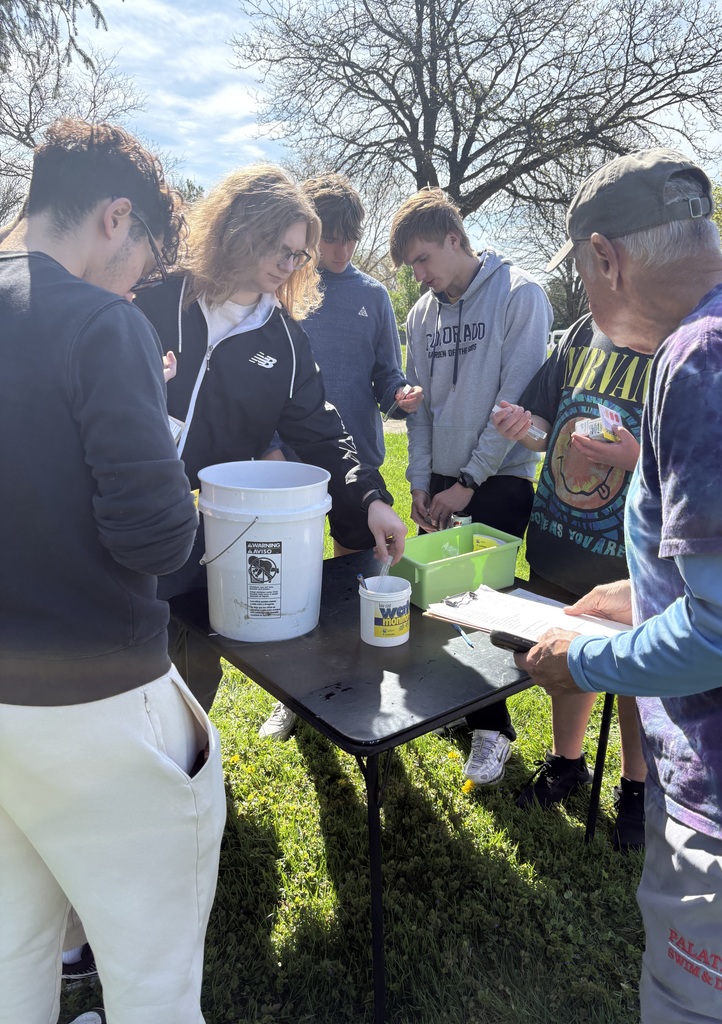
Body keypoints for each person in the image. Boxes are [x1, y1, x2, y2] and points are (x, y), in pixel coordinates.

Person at [516, 148, 722, 1022]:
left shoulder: (701, 356)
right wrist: (645, 591)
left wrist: (585, 662)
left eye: (584, 278)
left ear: (606, 258)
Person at [0, 119, 225, 1024]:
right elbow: (155, 540)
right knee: (153, 975)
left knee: (12, 951)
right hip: (94, 697)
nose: (143, 281)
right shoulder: (103, 324)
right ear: (114, 217)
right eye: (146, 259)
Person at [134, 164, 408, 714]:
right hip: (122, 512)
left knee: (192, 659)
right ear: (238, 231)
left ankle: (189, 759)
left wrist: (373, 497)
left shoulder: (285, 341)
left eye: (298, 254)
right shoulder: (155, 298)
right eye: (279, 249)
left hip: (204, 527)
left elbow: (326, 429)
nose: (289, 265)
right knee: (122, 660)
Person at [389, 187, 551, 785]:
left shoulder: (521, 295)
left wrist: (468, 481)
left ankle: (493, 731)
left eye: (424, 259)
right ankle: (461, 708)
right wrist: (422, 483)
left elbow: (517, 405)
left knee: (485, 608)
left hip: (501, 480)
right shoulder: (420, 314)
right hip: (442, 482)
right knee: (432, 601)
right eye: (411, 267)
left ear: (456, 238)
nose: (420, 275)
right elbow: (422, 412)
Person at [259, 172, 423, 740]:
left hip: (360, 470)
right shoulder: (284, 290)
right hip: (293, 467)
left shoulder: (374, 296)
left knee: (354, 584)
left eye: (352, 238)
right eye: (332, 238)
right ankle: (294, 695)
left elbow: (386, 375)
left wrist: (398, 395)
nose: (342, 250)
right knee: (297, 585)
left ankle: (360, 688)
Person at [493, 313, 651, 851]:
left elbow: (695, 459)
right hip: (561, 534)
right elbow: (544, 431)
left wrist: (634, 455)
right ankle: (568, 762)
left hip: (629, 555)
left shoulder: (673, 340)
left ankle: (637, 789)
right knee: (566, 656)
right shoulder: (585, 329)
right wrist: (524, 426)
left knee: (635, 678)